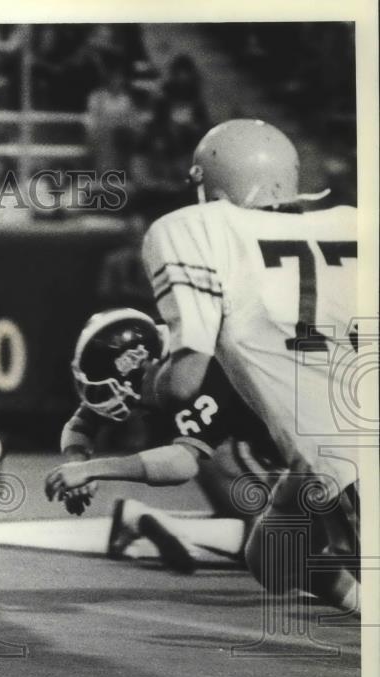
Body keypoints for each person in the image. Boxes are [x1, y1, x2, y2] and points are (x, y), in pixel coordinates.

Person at [139, 119, 360, 613]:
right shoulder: (354, 222)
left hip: (347, 465)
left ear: (212, 186)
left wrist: (145, 383)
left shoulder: (199, 231)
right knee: (273, 555)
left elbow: (182, 384)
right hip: (337, 451)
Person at [44, 309, 283, 572]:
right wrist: (78, 462)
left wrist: (90, 470)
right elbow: (80, 425)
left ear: (141, 365)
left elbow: (181, 462)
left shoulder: (196, 363)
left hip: (266, 445)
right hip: (241, 448)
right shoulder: (154, 353)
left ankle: (147, 521)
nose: (102, 397)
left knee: (288, 539)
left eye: (106, 386)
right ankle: (167, 524)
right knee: (287, 541)